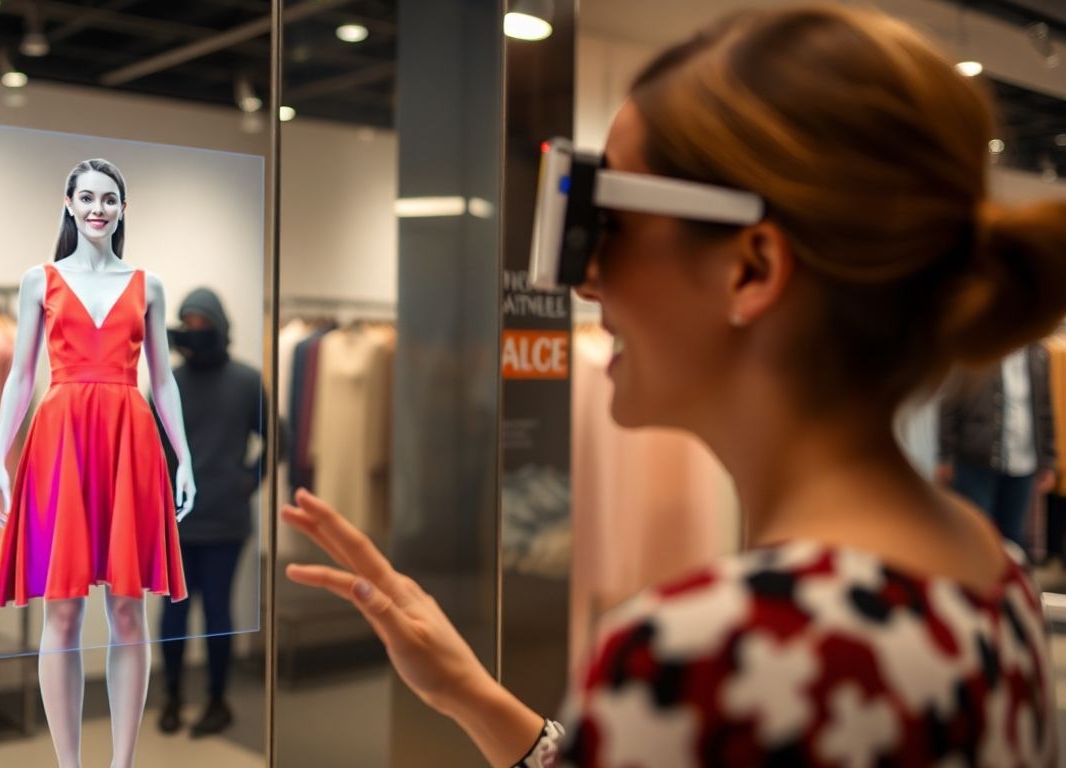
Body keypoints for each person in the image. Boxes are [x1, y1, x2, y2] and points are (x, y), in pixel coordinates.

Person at [282, 5, 1066, 766]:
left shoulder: (714, 654)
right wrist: (471, 695)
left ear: (750, 268)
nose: (584, 286)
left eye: (603, 221)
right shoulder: (988, 570)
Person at [0, 159, 196, 768]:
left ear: (123, 208)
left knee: (128, 607)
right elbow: (20, 375)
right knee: (64, 605)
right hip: (61, 441)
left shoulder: (149, 285)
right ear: (69, 204)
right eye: (88, 197)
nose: (98, 207)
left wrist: (184, 458)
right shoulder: (38, 280)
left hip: (129, 437)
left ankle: (121, 763)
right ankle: (69, 764)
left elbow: (164, 381)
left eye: (110, 198)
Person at [156, 288, 267, 737]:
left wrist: (248, 480)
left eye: (202, 323)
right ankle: (172, 698)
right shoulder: (168, 383)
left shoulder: (245, 381)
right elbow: (150, 448)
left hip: (226, 522)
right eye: (187, 323)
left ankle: (218, 700)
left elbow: (276, 437)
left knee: (218, 613)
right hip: (176, 524)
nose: (194, 331)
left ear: (219, 326)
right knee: (174, 615)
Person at [937, 342, 1058, 548]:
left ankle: (1007, 579)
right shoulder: (974, 353)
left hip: (1023, 462)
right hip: (977, 461)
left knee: (1013, 539)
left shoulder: (1038, 354)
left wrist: (1047, 460)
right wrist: (945, 455)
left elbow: (1044, 410)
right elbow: (950, 405)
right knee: (978, 535)